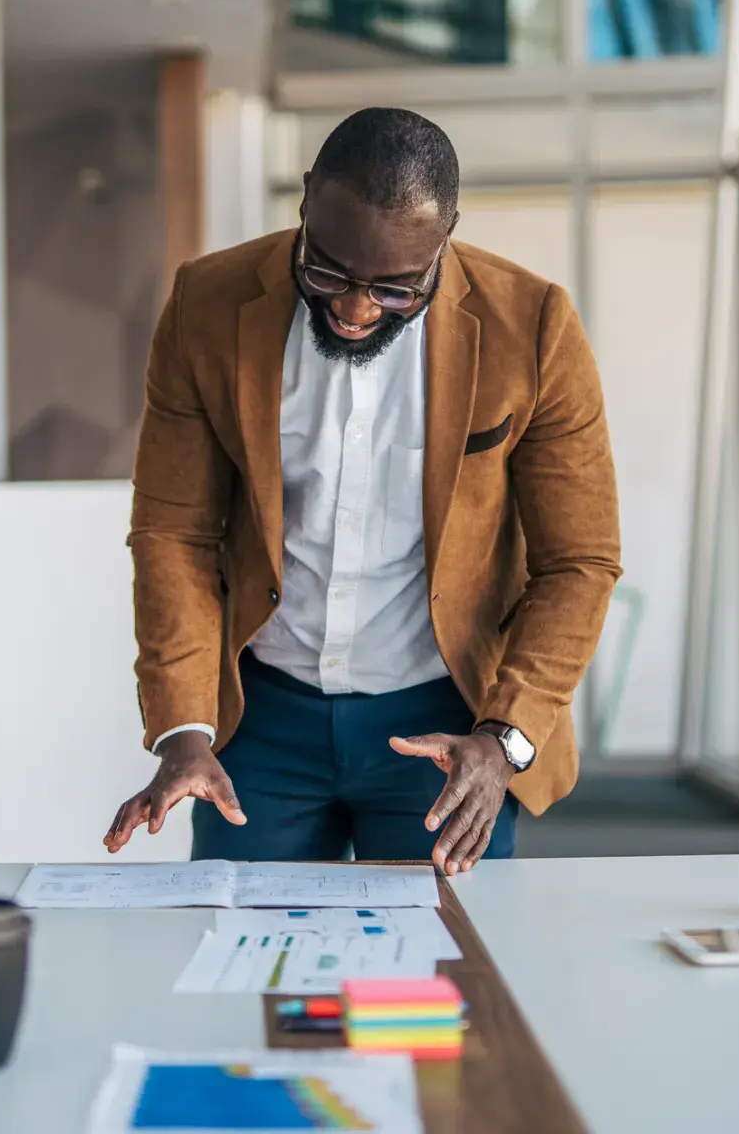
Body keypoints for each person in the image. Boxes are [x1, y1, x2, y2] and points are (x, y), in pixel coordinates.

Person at [105, 107, 621, 871]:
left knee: (440, 975)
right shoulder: (206, 305)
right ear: (307, 199)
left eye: (395, 291)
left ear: (446, 236)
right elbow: (174, 532)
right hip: (261, 721)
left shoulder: (531, 327)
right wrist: (185, 730)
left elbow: (579, 560)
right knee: (251, 969)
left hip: (446, 730)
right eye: (328, 272)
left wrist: (503, 741)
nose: (352, 311)